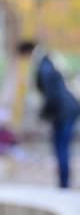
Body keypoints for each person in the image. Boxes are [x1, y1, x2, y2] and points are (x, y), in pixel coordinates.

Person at [18, 40, 79, 188]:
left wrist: (42, 116)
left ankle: (64, 184)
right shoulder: (46, 62)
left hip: (65, 111)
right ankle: (63, 183)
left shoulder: (44, 66)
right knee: (60, 146)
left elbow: (52, 95)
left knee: (61, 146)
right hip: (64, 110)